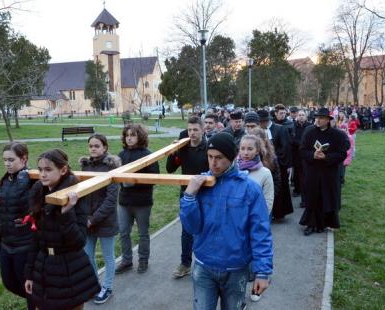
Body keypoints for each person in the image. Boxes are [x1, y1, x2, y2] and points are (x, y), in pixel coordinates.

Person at [180, 132, 273, 310]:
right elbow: (192, 227)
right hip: (204, 265)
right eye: (210, 157)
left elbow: (260, 232)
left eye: (219, 158)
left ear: (232, 157)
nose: (213, 163)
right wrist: (189, 197)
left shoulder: (250, 189)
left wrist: (263, 271)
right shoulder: (201, 185)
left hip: (236, 269)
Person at [24, 149, 100, 310]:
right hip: (44, 267)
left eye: (48, 169)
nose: (42, 174)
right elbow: (36, 239)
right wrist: (29, 274)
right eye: (40, 170)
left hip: (70, 271)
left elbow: (79, 241)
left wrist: (66, 214)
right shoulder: (39, 192)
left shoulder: (75, 196)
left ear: (63, 170)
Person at [0, 142, 34, 309]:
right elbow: (0, 215)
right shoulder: (5, 181)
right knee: (9, 283)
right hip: (6, 244)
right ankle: (42, 300)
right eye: (4, 160)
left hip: (24, 245)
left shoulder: (32, 180)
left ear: (23, 159)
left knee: (29, 288)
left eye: (11, 159)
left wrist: (27, 219)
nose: (7, 164)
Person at [166, 116, 209, 279]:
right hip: (187, 195)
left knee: (206, 229)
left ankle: (205, 263)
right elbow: (170, 169)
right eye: (189, 130)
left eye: (195, 130)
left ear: (202, 130)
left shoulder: (208, 148)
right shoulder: (183, 148)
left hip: (205, 195)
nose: (192, 133)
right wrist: (173, 153)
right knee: (187, 231)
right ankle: (185, 264)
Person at [80, 134, 121, 304]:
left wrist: (93, 219)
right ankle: (94, 285)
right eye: (91, 146)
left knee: (108, 256)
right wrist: (84, 217)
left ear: (105, 147)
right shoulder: (85, 166)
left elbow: (111, 200)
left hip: (105, 221)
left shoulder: (111, 168)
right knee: (88, 256)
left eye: (97, 146)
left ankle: (108, 287)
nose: (93, 149)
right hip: (87, 220)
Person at [115, 124, 160, 274]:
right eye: (127, 135)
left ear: (139, 136)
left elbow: (155, 178)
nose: (129, 138)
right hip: (124, 201)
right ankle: (127, 260)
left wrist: (136, 181)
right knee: (123, 232)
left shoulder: (148, 154)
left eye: (132, 135)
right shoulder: (121, 155)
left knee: (142, 233)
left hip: (142, 201)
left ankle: (143, 260)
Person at [299, 108, 349, 235]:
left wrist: (326, 157)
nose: (318, 120)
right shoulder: (309, 133)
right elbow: (302, 150)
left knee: (327, 197)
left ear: (328, 120)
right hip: (313, 171)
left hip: (329, 172)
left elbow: (342, 154)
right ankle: (311, 224)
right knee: (313, 197)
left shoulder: (337, 135)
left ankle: (326, 223)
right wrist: (313, 155)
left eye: (321, 118)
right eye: (317, 118)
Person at [257, 109, 293, 220]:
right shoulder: (259, 131)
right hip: (262, 165)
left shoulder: (280, 129)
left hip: (277, 165)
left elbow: (285, 147)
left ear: (265, 121)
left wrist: (274, 159)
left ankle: (278, 213)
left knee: (279, 189)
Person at [238, 135, 274, 213]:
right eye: (242, 148)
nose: (245, 153)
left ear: (257, 151)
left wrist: (258, 220)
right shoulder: (233, 169)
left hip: (256, 218)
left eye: (250, 149)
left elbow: (268, 201)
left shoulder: (265, 173)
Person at [292, 110, 311, 201]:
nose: (301, 117)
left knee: (305, 173)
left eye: (303, 115)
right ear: (297, 116)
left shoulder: (309, 127)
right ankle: (297, 190)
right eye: (299, 115)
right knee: (296, 172)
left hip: (306, 154)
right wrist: (301, 144)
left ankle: (305, 191)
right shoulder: (293, 126)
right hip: (296, 153)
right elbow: (292, 138)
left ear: (306, 117)